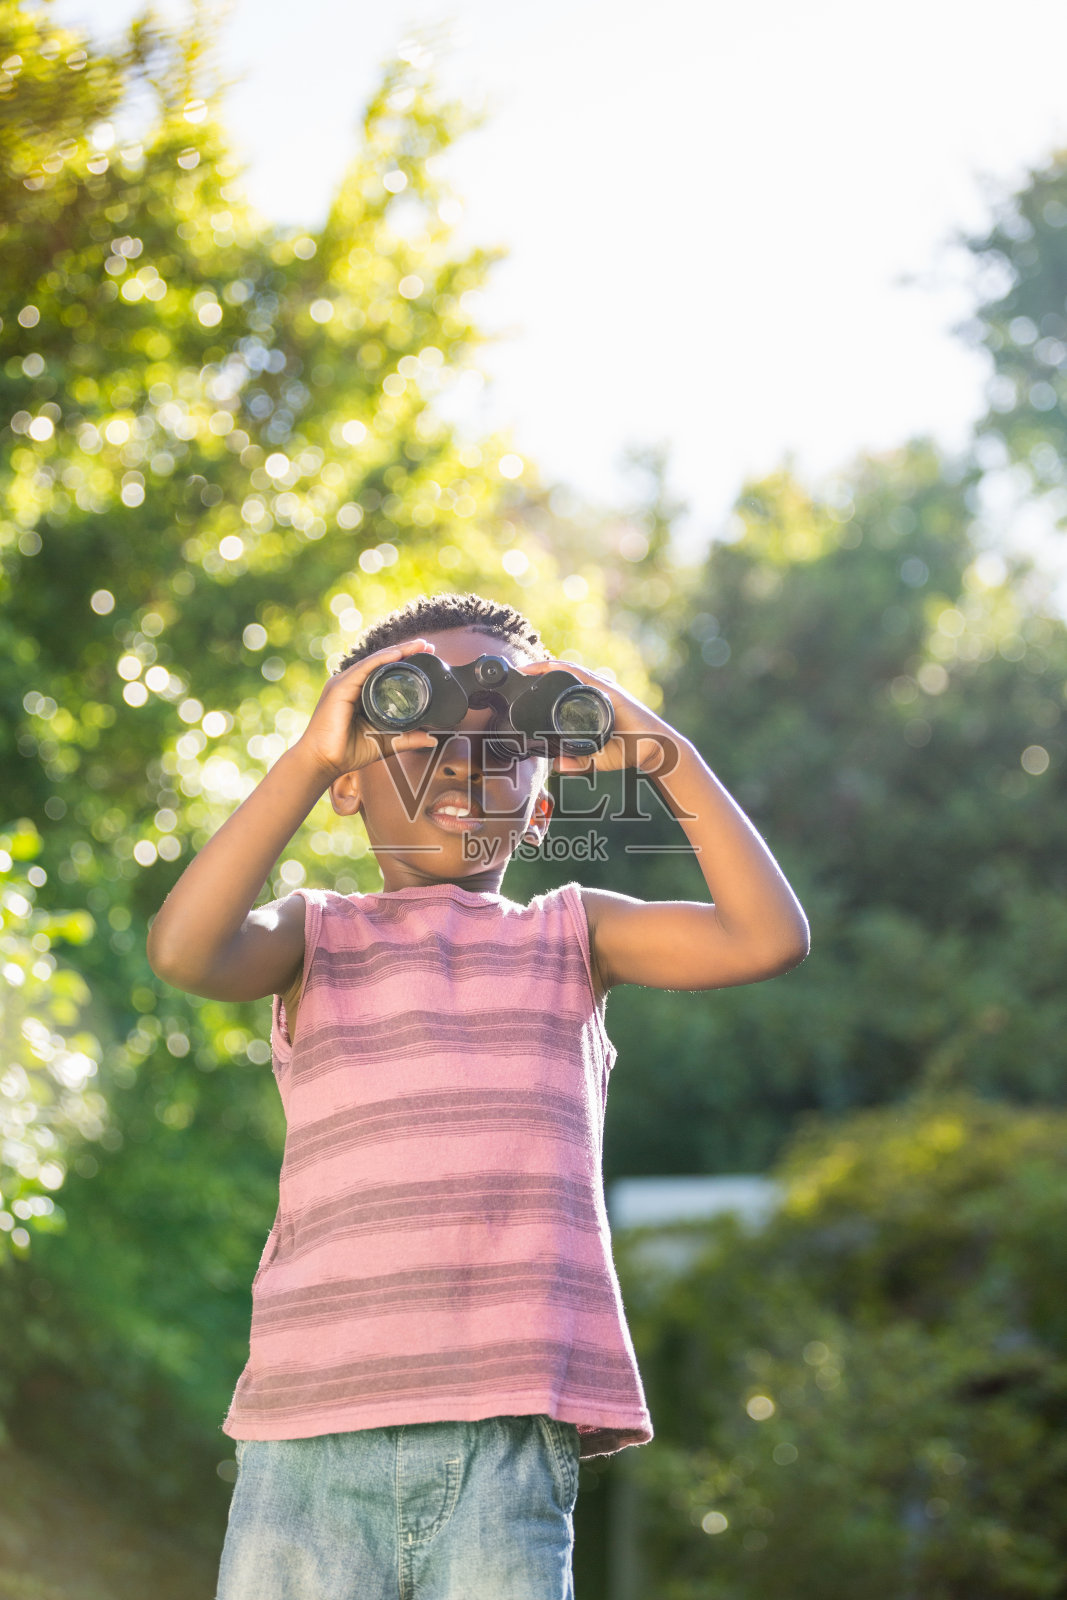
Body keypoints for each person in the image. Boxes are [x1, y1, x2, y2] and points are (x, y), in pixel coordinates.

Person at [146, 590, 809, 1600]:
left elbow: (765, 935)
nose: (465, 763)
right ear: (347, 786)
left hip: (503, 1443)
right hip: (305, 1444)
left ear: (541, 799)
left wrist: (651, 740)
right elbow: (185, 949)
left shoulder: (571, 934)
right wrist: (312, 750)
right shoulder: (312, 934)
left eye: (504, 746)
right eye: (420, 734)